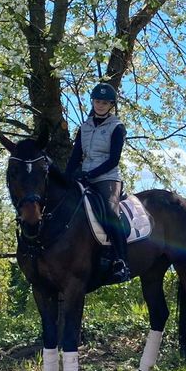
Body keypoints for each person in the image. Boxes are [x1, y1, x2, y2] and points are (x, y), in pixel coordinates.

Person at [65, 82, 130, 283]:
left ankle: (121, 261)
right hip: (84, 175)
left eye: (105, 102)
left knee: (110, 212)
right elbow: (76, 155)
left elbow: (113, 160)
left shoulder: (117, 127)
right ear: (92, 102)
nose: (100, 105)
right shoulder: (84, 127)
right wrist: (66, 176)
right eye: (97, 101)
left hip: (107, 177)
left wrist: (92, 174)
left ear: (111, 105)